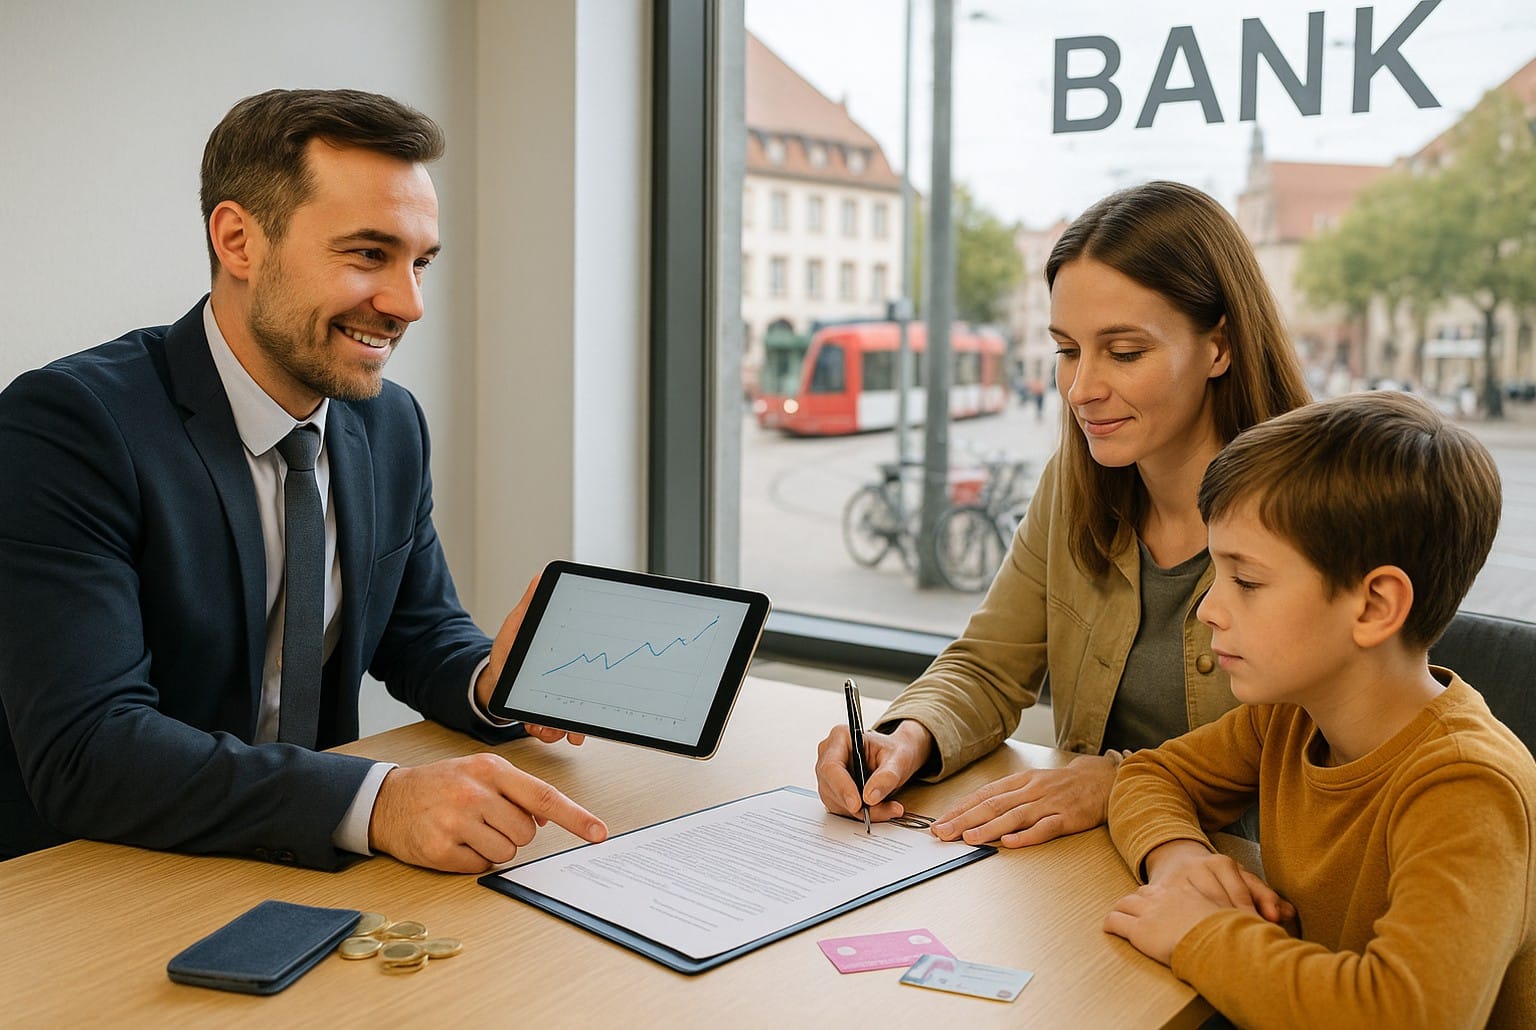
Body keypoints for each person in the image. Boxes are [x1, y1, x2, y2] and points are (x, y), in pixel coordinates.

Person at [0, 89, 606, 873]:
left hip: (299, 861)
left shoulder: (389, 423)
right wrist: (379, 800)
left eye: (419, 262)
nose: (408, 304)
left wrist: (495, 683)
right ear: (238, 241)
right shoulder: (68, 427)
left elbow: (418, 631)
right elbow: (89, 747)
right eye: (367, 254)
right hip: (99, 880)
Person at [815, 180, 1311, 846]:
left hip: (1246, 885)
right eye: (1068, 351)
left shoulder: (1314, 506)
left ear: (1219, 346)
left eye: (1124, 352)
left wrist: (1123, 782)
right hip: (1093, 865)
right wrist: (908, 735)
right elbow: (989, 665)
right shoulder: (1076, 484)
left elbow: (1314, 747)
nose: (1082, 390)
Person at [1103, 392, 1534, 1027]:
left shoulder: (1467, 789)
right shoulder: (1291, 715)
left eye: (1245, 582)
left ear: (1374, 606)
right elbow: (1149, 776)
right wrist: (1179, 858)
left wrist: (1199, 934)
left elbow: (1407, 1014)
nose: (1208, 610)